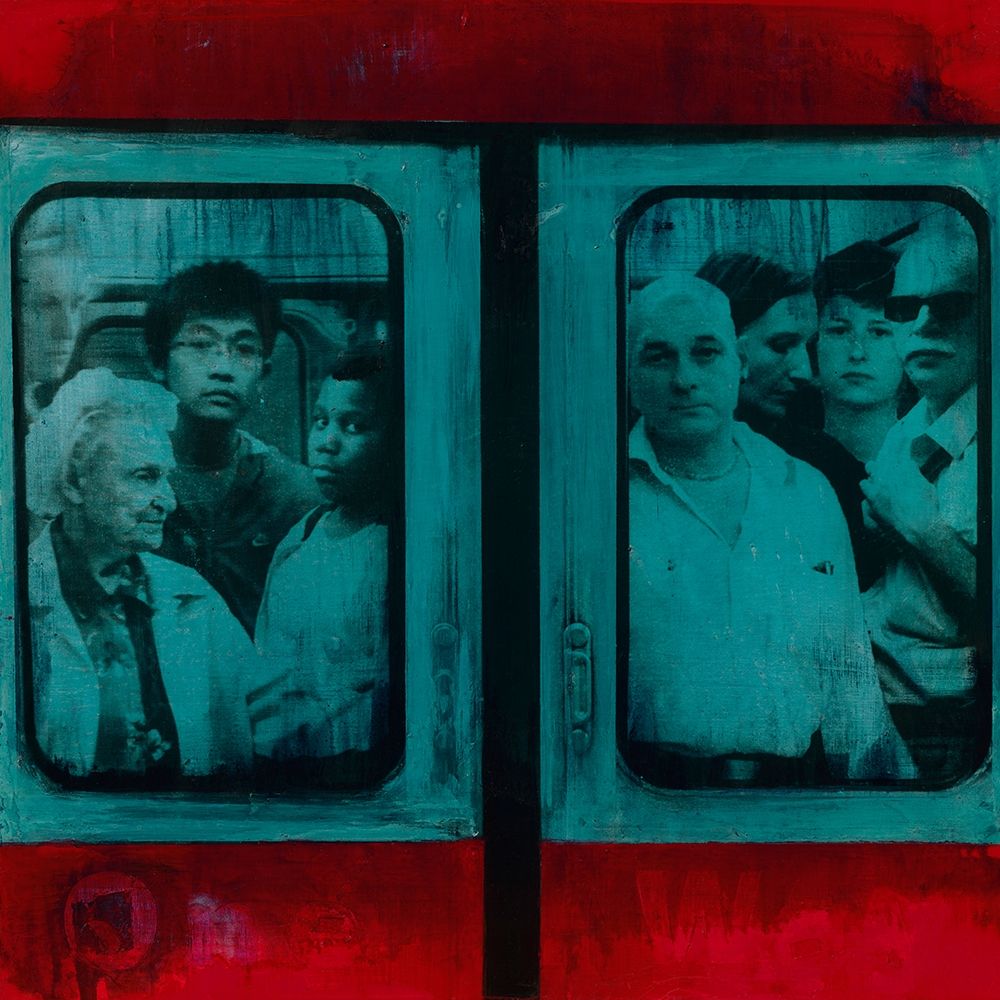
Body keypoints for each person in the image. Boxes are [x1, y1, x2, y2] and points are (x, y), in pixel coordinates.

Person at [626, 275, 911, 786]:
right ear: (628, 373)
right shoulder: (601, 500)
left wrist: (892, 811)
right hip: (645, 802)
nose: (684, 379)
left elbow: (851, 682)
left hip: (789, 801)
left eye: (705, 353)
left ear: (739, 363)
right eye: (657, 357)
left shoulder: (806, 492)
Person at [25, 369, 255, 783]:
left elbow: (263, 718)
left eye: (167, 477)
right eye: (145, 477)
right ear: (75, 481)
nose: (168, 501)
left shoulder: (191, 594)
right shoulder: (15, 600)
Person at [144, 261, 321, 636]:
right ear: (159, 362)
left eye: (243, 348)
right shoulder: (127, 483)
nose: (223, 369)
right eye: (200, 345)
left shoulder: (297, 495)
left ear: (263, 373)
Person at [863, 228, 982, 782]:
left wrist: (918, 526)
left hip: (957, 736)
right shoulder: (906, 432)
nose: (923, 324)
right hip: (885, 714)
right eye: (904, 308)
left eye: (950, 304)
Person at [251, 343, 397, 786]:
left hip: (356, 764)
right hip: (283, 760)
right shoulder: (302, 536)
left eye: (354, 426)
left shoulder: (394, 548)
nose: (326, 442)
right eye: (321, 421)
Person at [811, 239, 906, 589]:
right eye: (839, 330)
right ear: (814, 343)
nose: (857, 352)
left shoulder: (931, 467)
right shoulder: (785, 466)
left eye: (879, 331)